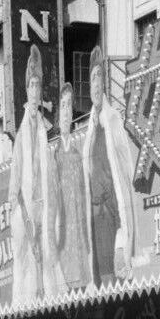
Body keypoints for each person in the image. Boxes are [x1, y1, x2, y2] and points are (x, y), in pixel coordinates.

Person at [82, 45, 134, 288]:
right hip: (96, 213)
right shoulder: (89, 130)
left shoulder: (113, 120)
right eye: (91, 79)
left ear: (104, 85)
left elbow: (126, 167)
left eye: (98, 78)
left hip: (113, 207)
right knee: (102, 276)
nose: (95, 85)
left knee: (119, 272)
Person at [9, 44, 55, 308]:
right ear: (27, 90)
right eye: (32, 86)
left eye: (38, 86)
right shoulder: (23, 132)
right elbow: (16, 174)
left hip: (43, 203)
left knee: (45, 258)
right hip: (25, 207)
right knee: (25, 258)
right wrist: (20, 208)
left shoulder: (44, 129)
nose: (35, 91)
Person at [50, 82, 91, 290]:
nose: (66, 112)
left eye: (69, 106)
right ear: (57, 115)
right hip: (62, 231)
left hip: (79, 229)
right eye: (62, 106)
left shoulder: (77, 153)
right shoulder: (53, 154)